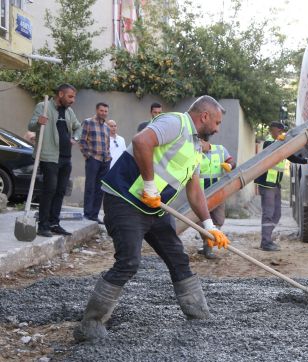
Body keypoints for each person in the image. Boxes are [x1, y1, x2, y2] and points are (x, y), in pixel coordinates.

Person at [73, 95, 229, 342]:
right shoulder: (176, 123)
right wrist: (149, 186)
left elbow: (195, 190)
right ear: (204, 116)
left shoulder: (196, 145)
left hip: (154, 208)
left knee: (178, 258)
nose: (218, 129)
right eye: (217, 122)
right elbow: (141, 140)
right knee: (128, 262)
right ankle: (89, 325)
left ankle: (200, 316)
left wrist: (209, 226)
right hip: (125, 200)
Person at [27, 83, 82, 238]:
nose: (73, 100)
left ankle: (54, 223)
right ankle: (43, 225)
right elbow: (30, 126)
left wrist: (75, 138)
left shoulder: (70, 112)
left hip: (66, 157)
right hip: (49, 156)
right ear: (60, 94)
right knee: (49, 189)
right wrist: (39, 122)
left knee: (60, 191)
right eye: (70, 96)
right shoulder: (43, 107)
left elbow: (78, 127)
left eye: (74, 97)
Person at [254, 121, 308, 251]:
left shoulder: (282, 144)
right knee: (268, 213)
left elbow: (292, 157)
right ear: (275, 131)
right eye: (281, 132)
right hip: (266, 183)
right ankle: (266, 242)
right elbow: (270, 148)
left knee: (276, 214)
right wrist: (278, 141)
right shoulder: (268, 142)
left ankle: (267, 237)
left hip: (275, 184)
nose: (283, 134)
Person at [197, 138, 236, 259]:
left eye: (199, 143)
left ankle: (207, 246)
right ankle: (207, 247)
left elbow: (232, 162)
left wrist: (229, 165)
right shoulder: (194, 152)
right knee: (200, 221)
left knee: (218, 220)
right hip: (201, 195)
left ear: (205, 141)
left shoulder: (220, 150)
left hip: (218, 193)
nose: (197, 145)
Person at [79, 102, 111, 224]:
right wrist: (88, 156)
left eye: (105, 111)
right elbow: (82, 141)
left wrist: (109, 157)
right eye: (101, 110)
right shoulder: (88, 122)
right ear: (97, 110)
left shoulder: (107, 127)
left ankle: (94, 215)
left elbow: (107, 144)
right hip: (93, 159)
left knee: (100, 189)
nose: (103, 113)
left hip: (105, 161)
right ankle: (87, 213)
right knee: (90, 186)